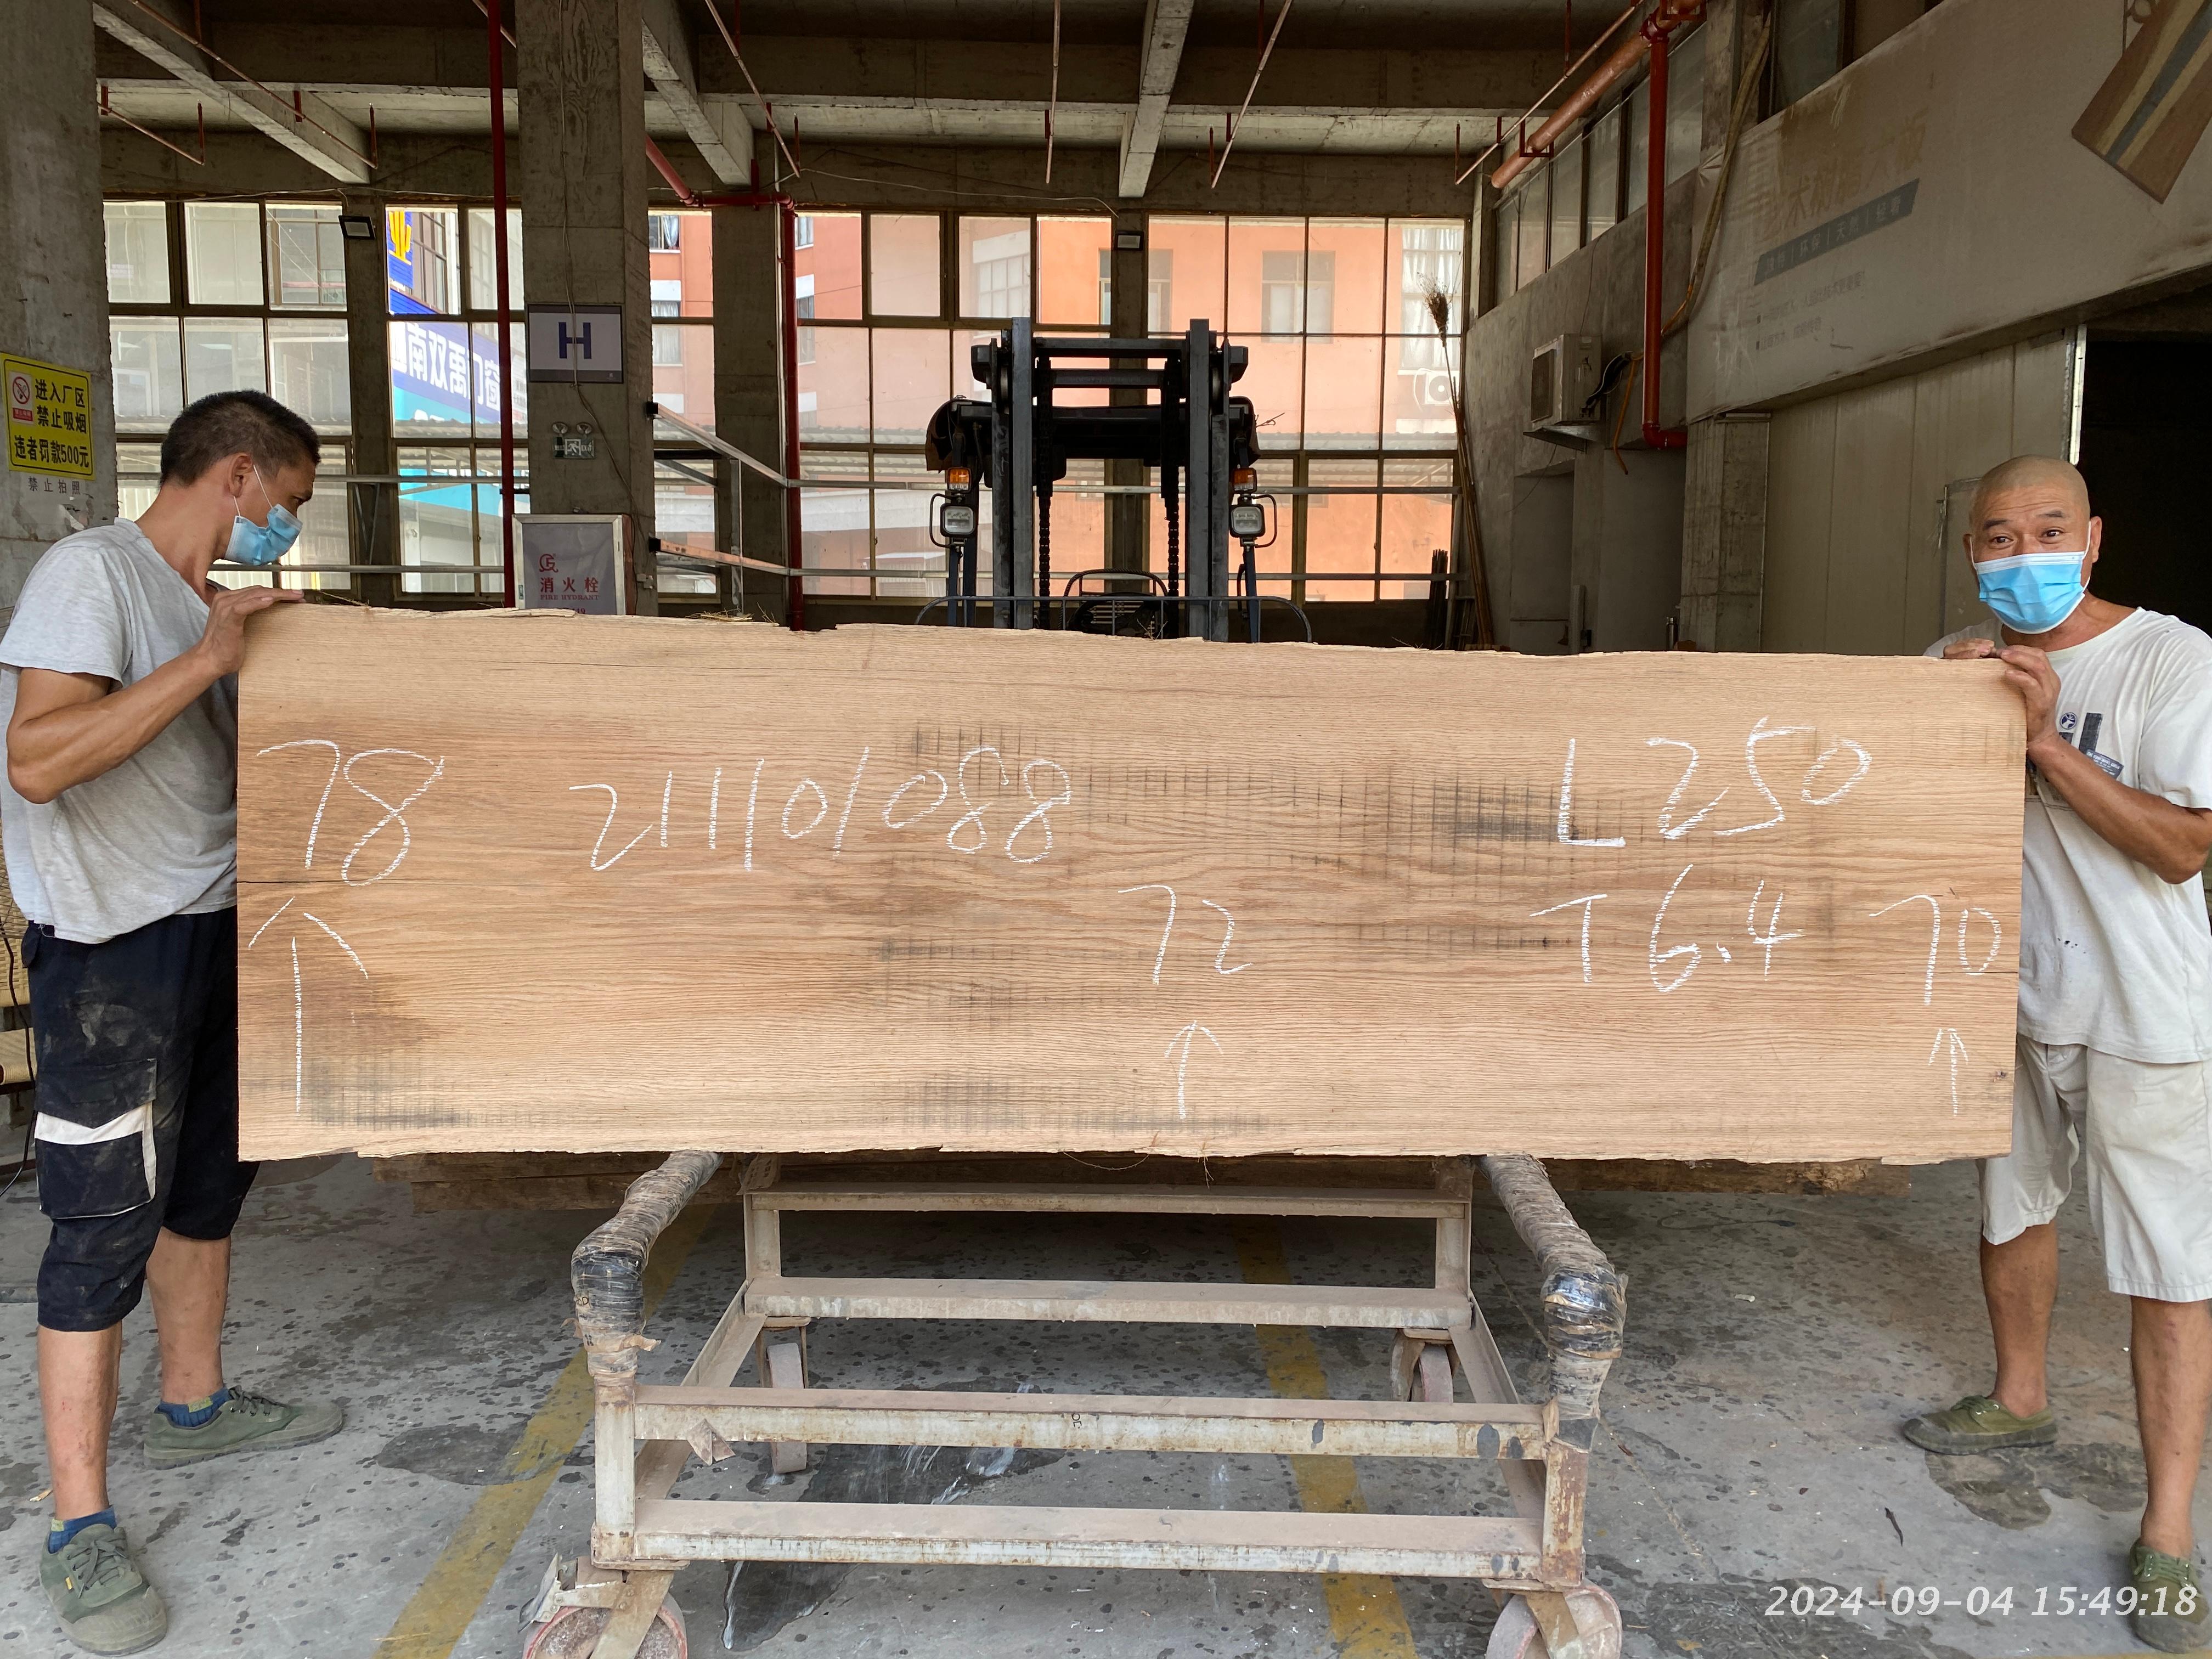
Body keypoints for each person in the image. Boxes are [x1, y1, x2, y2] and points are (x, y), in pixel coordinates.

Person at [2, 391, 346, 1655]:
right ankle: (79, 1527)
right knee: (101, 1227)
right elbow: (38, 760)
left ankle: (194, 1406)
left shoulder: (210, 601)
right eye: (287, 504)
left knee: (206, 1190)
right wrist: (208, 661)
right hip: (113, 953)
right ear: (238, 476)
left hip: (218, 925)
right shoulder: (94, 575)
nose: (285, 528)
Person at [1905, 454, 2212, 1655]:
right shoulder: (1956, 663)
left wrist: (2043, 741)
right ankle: (2018, 1397)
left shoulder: (2172, 660)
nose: (2021, 554)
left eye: (2046, 530)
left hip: (2146, 1012)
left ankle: (2170, 1532)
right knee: (2011, 1207)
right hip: (2016, 999)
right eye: (1997, 536)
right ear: (1971, 553)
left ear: (2091, 540)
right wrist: (1939, 713)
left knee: (2167, 1267)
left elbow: (2184, 848)